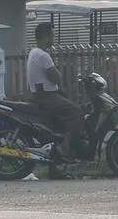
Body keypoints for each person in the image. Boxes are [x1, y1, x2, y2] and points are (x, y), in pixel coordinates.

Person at [26, 22, 84, 162]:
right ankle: (65, 147)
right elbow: (56, 76)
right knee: (76, 111)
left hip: (40, 95)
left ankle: (56, 159)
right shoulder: (42, 55)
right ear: (46, 36)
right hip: (46, 96)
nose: (54, 38)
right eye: (52, 35)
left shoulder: (33, 53)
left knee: (58, 124)